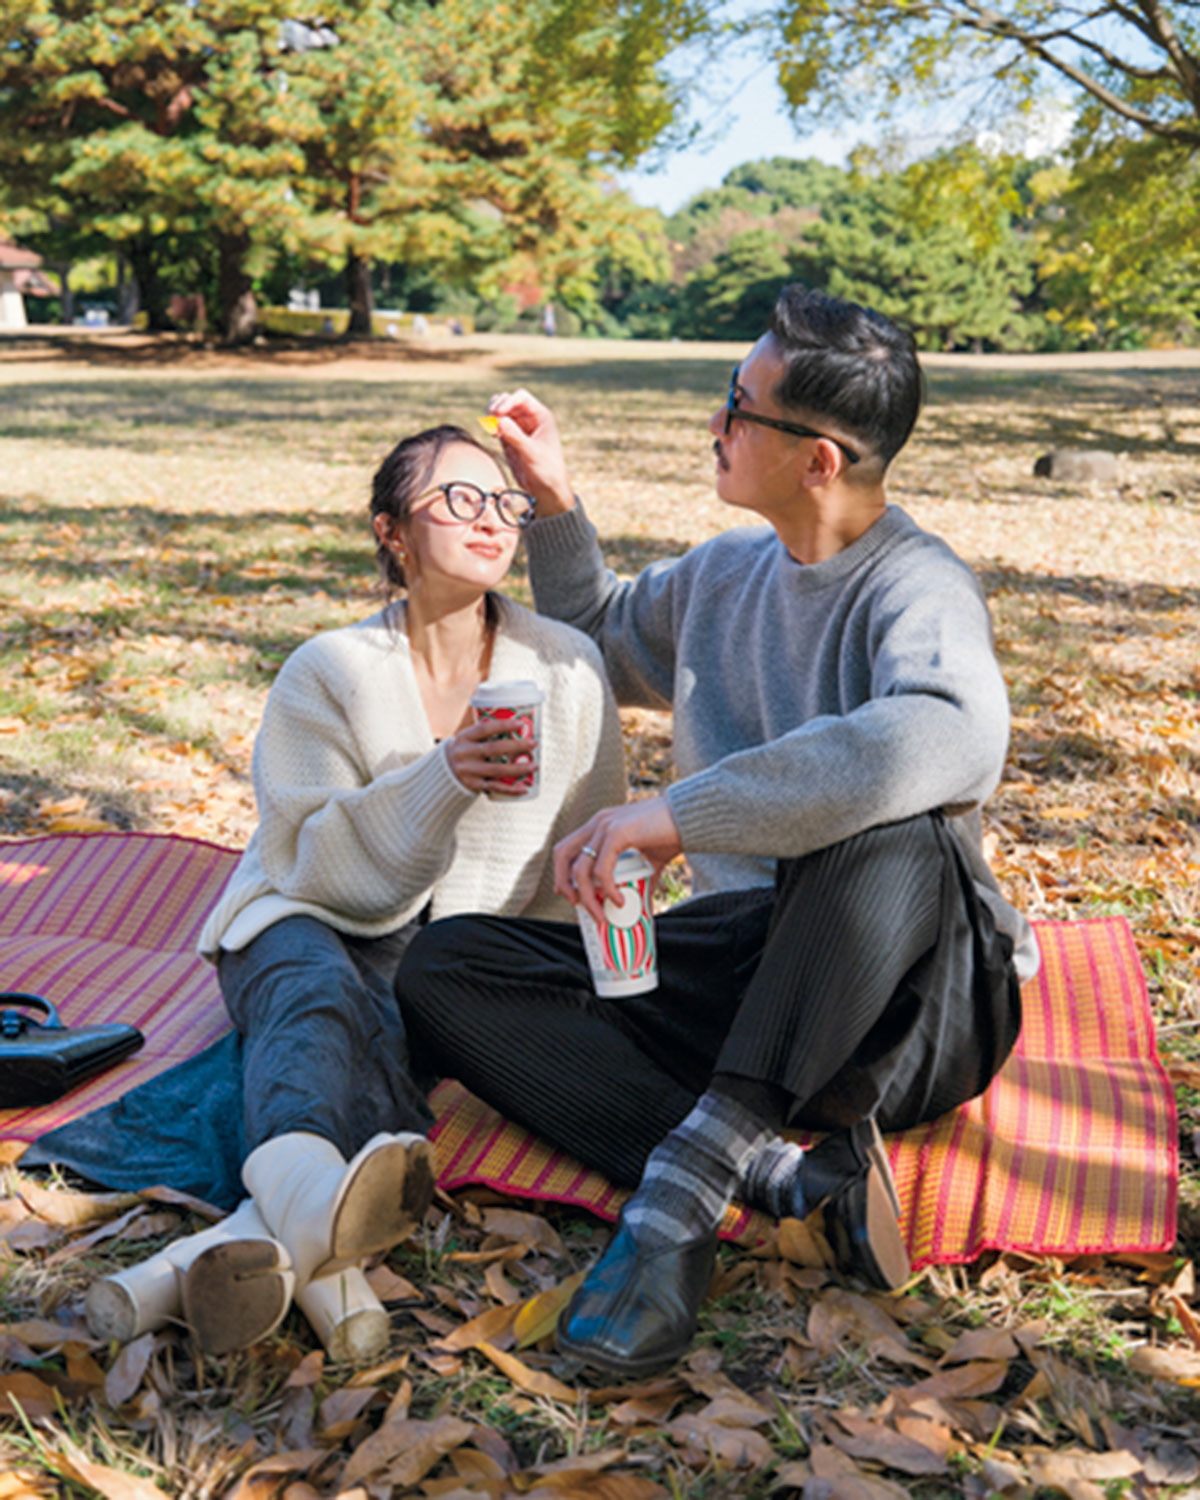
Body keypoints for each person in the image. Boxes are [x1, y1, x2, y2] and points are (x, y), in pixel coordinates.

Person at [395, 285, 1039, 1378]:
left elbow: (954, 734)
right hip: (755, 970)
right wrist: (553, 500)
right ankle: (776, 1179)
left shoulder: (917, 586)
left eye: (738, 406)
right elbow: (598, 630)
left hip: (908, 1006)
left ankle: (671, 1217)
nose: (716, 421)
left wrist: (678, 815)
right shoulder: (726, 573)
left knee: (889, 826)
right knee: (447, 966)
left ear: (819, 459)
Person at [83, 425, 625, 1364]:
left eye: (504, 501)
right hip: (305, 915)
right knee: (318, 999)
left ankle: (210, 1261)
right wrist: (444, 775)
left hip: (457, 954)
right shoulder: (329, 669)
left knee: (392, 1044)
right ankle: (318, 1237)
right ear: (392, 532)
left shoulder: (567, 667)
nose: (492, 519)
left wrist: (593, 972)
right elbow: (309, 862)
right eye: (459, 499)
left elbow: (590, 844)